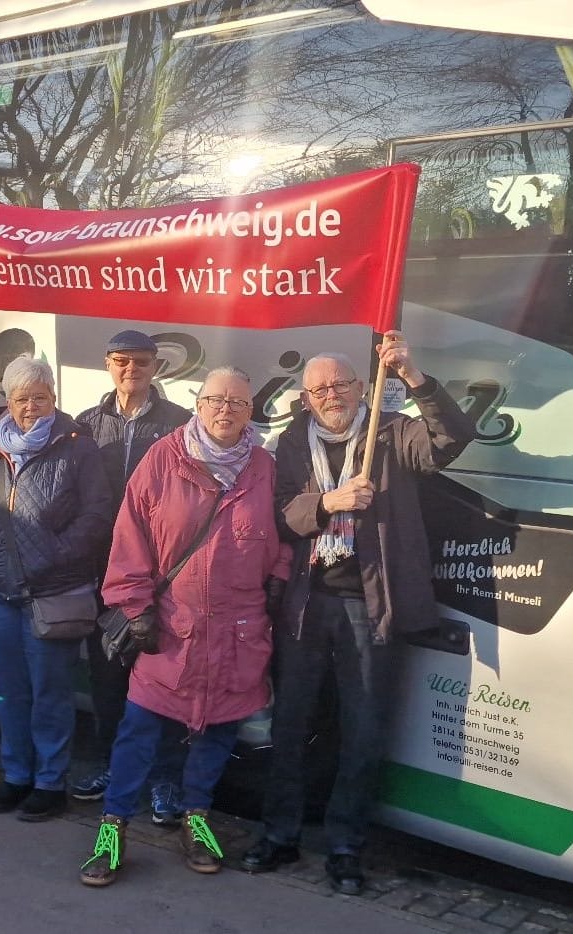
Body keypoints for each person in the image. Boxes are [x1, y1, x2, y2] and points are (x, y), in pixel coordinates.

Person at [242, 332, 474, 895]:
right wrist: (329, 502)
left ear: (363, 386)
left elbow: (451, 439)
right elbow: (279, 514)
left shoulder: (391, 433)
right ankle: (280, 833)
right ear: (305, 397)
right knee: (292, 723)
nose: (331, 395)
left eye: (341, 384)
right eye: (319, 388)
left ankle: (345, 847)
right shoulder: (292, 441)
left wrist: (414, 376)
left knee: (363, 730)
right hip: (304, 603)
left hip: (371, 606)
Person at [80, 366, 288, 886]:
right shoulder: (163, 459)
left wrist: (281, 579)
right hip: (171, 627)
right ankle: (112, 828)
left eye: (238, 403)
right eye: (216, 400)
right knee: (139, 732)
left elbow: (282, 536)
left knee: (218, 733)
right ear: (198, 404)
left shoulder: (264, 467)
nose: (225, 410)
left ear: (250, 412)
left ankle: (197, 820)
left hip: (239, 632)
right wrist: (134, 606)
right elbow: (129, 537)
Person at [0, 355, 113, 821]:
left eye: (40, 397)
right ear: (8, 401)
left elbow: (98, 516)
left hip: (51, 593)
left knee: (51, 692)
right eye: (22, 398)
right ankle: (16, 775)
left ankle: (49, 781)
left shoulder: (78, 448)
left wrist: (48, 556)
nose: (32, 407)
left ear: (54, 398)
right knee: (8, 691)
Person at [71, 329, 193, 819]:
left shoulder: (181, 424)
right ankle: (110, 765)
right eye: (122, 360)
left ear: (156, 366)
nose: (131, 370)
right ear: (107, 363)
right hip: (105, 573)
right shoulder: (85, 424)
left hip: (163, 575)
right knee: (107, 676)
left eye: (141, 362)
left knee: (163, 679)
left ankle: (165, 779)